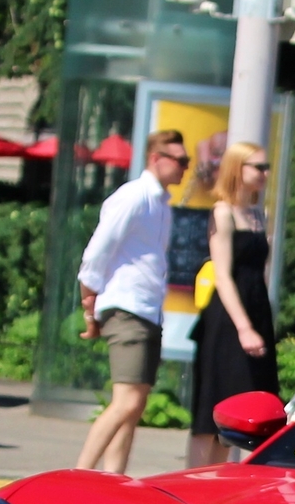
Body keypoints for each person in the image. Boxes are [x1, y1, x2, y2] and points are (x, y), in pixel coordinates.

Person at [75, 129, 190, 472]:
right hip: (128, 306)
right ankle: (79, 473)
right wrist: (89, 299)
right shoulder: (135, 196)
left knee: (134, 403)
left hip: (146, 310)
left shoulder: (161, 204)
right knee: (126, 401)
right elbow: (99, 248)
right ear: (156, 159)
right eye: (180, 160)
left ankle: (113, 477)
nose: (185, 167)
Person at [188, 142, 278, 467]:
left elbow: (260, 273)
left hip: (256, 312)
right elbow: (223, 276)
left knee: (245, 408)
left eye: (266, 167)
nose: (264, 173)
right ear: (237, 168)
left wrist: (260, 323)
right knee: (215, 407)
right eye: (258, 166)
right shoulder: (222, 212)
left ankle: (219, 480)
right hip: (227, 321)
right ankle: (195, 481)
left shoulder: (258, 214)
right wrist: (244, 327)